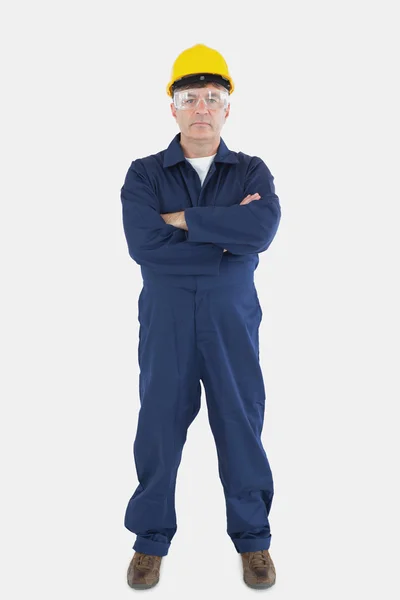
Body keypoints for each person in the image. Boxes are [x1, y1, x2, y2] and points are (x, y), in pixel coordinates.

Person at [120, 43, 281, 590]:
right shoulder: (144, 173)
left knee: (241, 421)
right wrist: (221, 235)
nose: (202, 108)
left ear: (228, 107)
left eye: (214, 97)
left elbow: (260, 231)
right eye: (190, 97)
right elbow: (146, 246)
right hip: (165, 317)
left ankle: (254, 541)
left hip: (232, 317)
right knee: (159, 425)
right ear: (173, 106)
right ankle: (150, 542)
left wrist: (184, 220)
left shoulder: (252, 169)